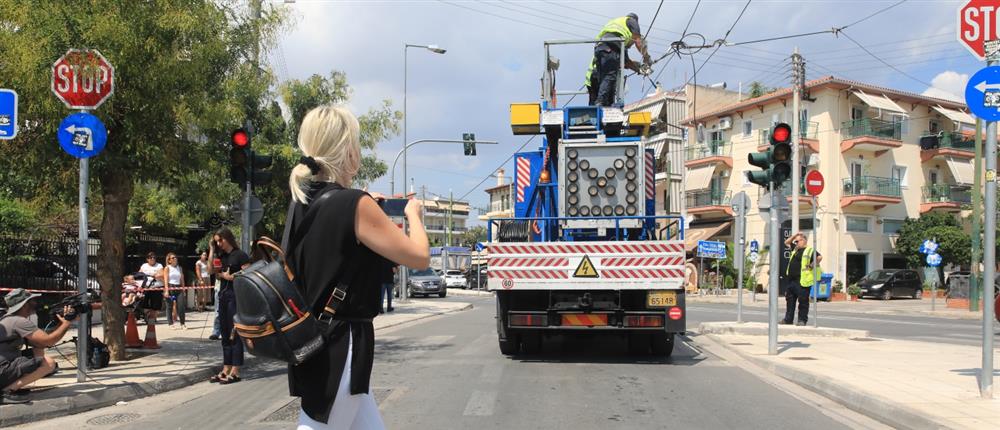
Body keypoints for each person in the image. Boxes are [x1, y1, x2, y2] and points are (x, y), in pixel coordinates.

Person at [285, 105, 430, 429]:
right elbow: (419, 257)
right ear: (348, 150)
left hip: (314, 339)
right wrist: (413, 216)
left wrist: (362, 202)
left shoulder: (301, 201)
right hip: (341, 342)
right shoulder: (353, 204)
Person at [0, 289, 75, 403]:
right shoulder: (18, 321)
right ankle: (7, 391)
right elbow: (48, 341)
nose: (35, 303)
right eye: (32, 301)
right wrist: (67, 323)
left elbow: (39, 343)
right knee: (48, 363)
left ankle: (10, 387)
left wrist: (59, 324)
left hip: (4, 368)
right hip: (3, 370)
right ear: (25, 304)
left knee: (38, 349)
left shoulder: (8, 320)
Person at [208, 227, 248, 384]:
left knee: (234, 333)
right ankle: (226, 367)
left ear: (228, 238)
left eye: (220, 240)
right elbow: (211, 270)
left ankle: (236, 370)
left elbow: (248, 274)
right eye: (216, 241)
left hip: (236, 297)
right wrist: (211, 249)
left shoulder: (240, 255)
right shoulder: (221, 256)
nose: (219, 244)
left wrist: (230, 277)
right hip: (223, 296)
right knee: (224, 333)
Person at [585, 13, 652, 106]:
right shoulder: (632, 21)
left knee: (605, 79)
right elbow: (638, 41)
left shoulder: (617, 30)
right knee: (610, 75)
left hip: (600, 47)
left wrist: (639, 68)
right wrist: (646, 57)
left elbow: (626, 63)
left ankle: (601, 104)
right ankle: (600, 102)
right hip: (611, 46)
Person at [782, 232, 822, 326]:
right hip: (791, 280)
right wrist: (795, 235)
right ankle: (788, 319)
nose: (796, 243)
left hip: (802, 281)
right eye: (795, 242)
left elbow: (819, 257)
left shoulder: (809, 250)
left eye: (797, 241)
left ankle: (802, 320)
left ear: (803, 240)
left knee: (803, 302)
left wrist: (812, 265)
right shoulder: (795, 249)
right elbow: (787, 242)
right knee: (790, 301)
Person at [139, 252, 165, 344]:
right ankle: (148, 316)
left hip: (157, 287)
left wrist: (153, 275)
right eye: (150, 257)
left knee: (156, 306)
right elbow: (140, 275)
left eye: (154, 257)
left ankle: (152, 318)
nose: (152, 259)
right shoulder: (144, 266)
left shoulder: (159, 265)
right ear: (147, 259)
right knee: (144, 304)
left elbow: (161, 275)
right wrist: (153, 275)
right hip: (146, 288)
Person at [164, 252, 186, 329]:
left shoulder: (179, 268)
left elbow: (182, 279)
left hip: (178, 287)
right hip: (170, 287)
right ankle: (170, 323)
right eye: (173, 258)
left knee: (181, 306)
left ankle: (182, 324)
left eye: (175, 257)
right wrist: (166, 290)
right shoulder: (167, 268)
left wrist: (183, 289)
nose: (175, 259)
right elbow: (166, 279)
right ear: (169, 260)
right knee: (169, 306)